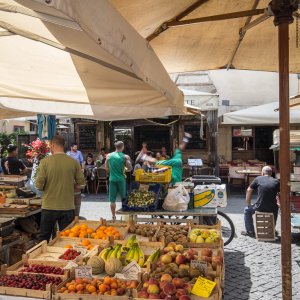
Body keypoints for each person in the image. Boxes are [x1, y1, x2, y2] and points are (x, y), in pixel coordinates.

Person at [35, 135, 85, 242]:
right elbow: (82, 183)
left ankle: (42, 258)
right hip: (67, 207)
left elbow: (38, 185)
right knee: (66, 238)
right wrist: (71, 184)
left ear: (52, 145)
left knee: (43, 238)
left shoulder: (45, 162)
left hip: (49, 206)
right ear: (63, 145)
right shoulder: (74, 162)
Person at [241, 166, 280, 237]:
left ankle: (250, 231)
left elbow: (248, 190)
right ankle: (272, 230)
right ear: (271, 173)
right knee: (276, 207)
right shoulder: (276, 181)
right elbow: (281, 194)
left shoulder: (258, 179)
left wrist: (248, 204)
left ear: (262, 173)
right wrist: (279, 204)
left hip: (259, 207)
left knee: (247, 210)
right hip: (272, 209)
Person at [105, 141, 132, 220]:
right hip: (121, 180)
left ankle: (113, 216)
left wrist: (111, 171)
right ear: (123, 147)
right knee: (124, 198)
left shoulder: (109, 156)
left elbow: (106, 168)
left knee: (112, 200)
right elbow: (130, 169)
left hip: (112, 179)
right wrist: (124, 169)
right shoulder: (125, 156)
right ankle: (126, 218)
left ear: (115, 147)